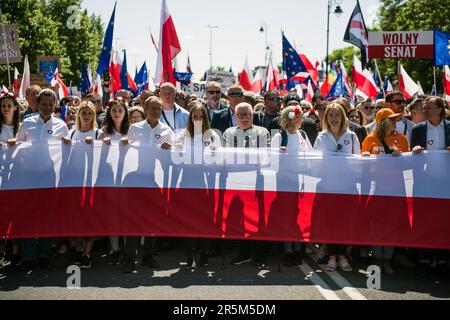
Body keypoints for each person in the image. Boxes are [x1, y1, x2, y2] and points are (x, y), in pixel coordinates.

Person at [9, 89, 69, 271]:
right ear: (38, 103)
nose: (48, 107)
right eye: (44, 104)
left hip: (49, 178)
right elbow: (17, 146)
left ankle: (43, 255)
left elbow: (66, 152)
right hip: (27, 177)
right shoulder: (27, 123)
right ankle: (28, 257)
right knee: (28, 217)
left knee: (46, 217)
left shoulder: (61, 125)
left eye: (51, 104)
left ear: (55, 105)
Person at [122, 96, 174, 273]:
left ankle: (148, 256)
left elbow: (174, 156)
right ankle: (129, 258)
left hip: (155, 181)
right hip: (136, 181)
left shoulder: (166, 130)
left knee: (153, 220)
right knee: (132, 221)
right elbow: (125, 151)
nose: (157, 112)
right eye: (153, 108)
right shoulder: (135, 128)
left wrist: (171, 147)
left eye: (159, 109)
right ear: (145, 110)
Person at [361, 108, 410, 274]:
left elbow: (409, 165)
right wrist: (365, 157)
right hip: (377, 189)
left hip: (396, 190)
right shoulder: (370, 139)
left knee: (391, 225)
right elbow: (361, 165)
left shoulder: (402, 139)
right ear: (382, 122)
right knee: (376, 225)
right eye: (391, 119)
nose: (395, 122)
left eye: (395, 119)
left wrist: (402, 157)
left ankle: (387, 260)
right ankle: (377, 257)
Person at [313, 103, 360, 272]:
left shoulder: (352, 136)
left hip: (347, 187)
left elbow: (358, 161)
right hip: (327, 187)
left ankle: (343, 257)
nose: (334, 119)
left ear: (343, 118)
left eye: (337, 115)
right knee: (329, 224)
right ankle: (332, 257)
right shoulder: (321, 137)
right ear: (326, 118)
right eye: (330, 115)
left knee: (345, 223)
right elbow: (315, 162)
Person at [223, 102, 271, 268]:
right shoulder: (228, 133)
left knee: (259, 219)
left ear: (253, 116)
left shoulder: (262, 132)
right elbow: (228, 157)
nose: (244, 118)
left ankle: (261, 256)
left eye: (247, 115)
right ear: (235, 116)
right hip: (237, 181)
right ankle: (243, 253)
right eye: (240, 115)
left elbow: (265, 157)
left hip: (258, 181)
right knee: (240, 218)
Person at [175, 101, 221, 268]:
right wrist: (176, 149)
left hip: (206, 180)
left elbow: (219, 158)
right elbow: (175, 156)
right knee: (188, 218)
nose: (198, 119)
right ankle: (189, 253)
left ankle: (203, 253)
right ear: (190, 118)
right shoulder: (182, 135)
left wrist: (215, 153)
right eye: (195, 116)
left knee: (203, 217)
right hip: (187, 180)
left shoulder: (213, 135)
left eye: (201, 116)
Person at [410, 96, 450, 277]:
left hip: (446, 183)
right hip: (425, 182)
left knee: (444, 222)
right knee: (424, 221)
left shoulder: (449, 127)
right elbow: (410, 154)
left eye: (429, 108)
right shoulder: (418, 129)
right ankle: (423, 260)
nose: (425, 111)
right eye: (424, 108)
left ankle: (442, 260)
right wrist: (415, 150)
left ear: (440, 109)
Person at [62, 101, 102, 268]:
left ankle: (87, 253)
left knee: (90, 218)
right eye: (83, 113)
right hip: (74, 183)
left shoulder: (99, 133)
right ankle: (77, 249)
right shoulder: (71, 133)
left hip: (92, 182)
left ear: (94, 115)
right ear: (78, 114)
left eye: (89, 113)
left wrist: (103, 142)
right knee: (75, 218)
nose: (86, 116)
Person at [271, 105, 312, 267]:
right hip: (285, 183)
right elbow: (271, 160)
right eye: (299, 116)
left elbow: (311, 155)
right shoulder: (280, 136)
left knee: (299, 216)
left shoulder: (302, 135)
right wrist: (279, 154)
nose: (301, 119)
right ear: (292, 118)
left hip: (300, 182)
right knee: (288, 216)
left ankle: (297, 248)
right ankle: (288, 250)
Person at [0, 91, 22, 266]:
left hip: (15, 175)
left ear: (15, 107)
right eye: (3, 106)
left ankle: (15, 249)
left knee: (14, 212)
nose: (6, 109)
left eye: (9, 106)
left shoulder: (21, 127)